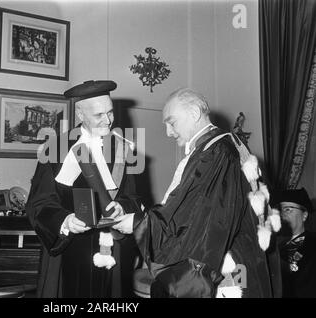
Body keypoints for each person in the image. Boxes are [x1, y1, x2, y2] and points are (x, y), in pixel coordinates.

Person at [114, 87, 276, 297]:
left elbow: (198, 224)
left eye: (172, 122)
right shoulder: (224, 145)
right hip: (242, 258)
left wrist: (139, 223)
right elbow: (189, 206)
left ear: (194, 114)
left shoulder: (215, 153)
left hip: (226, 268)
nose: (168, 132)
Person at [25, 80, 143, 298]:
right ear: (81, 115)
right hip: (71, 250)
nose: (108, 120)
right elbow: (38, 204)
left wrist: (123, 206)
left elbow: (133, 197)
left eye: (110, 112)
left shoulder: (124, 148)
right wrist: (66, 220)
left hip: (114, 249)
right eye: (99, 115)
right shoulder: (56, 149)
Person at [273, 188, 316, 298]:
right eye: (281, 210)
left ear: (304, 215)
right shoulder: (276, 244)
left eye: (288, 209)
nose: (282, 215)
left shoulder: (312, 243)